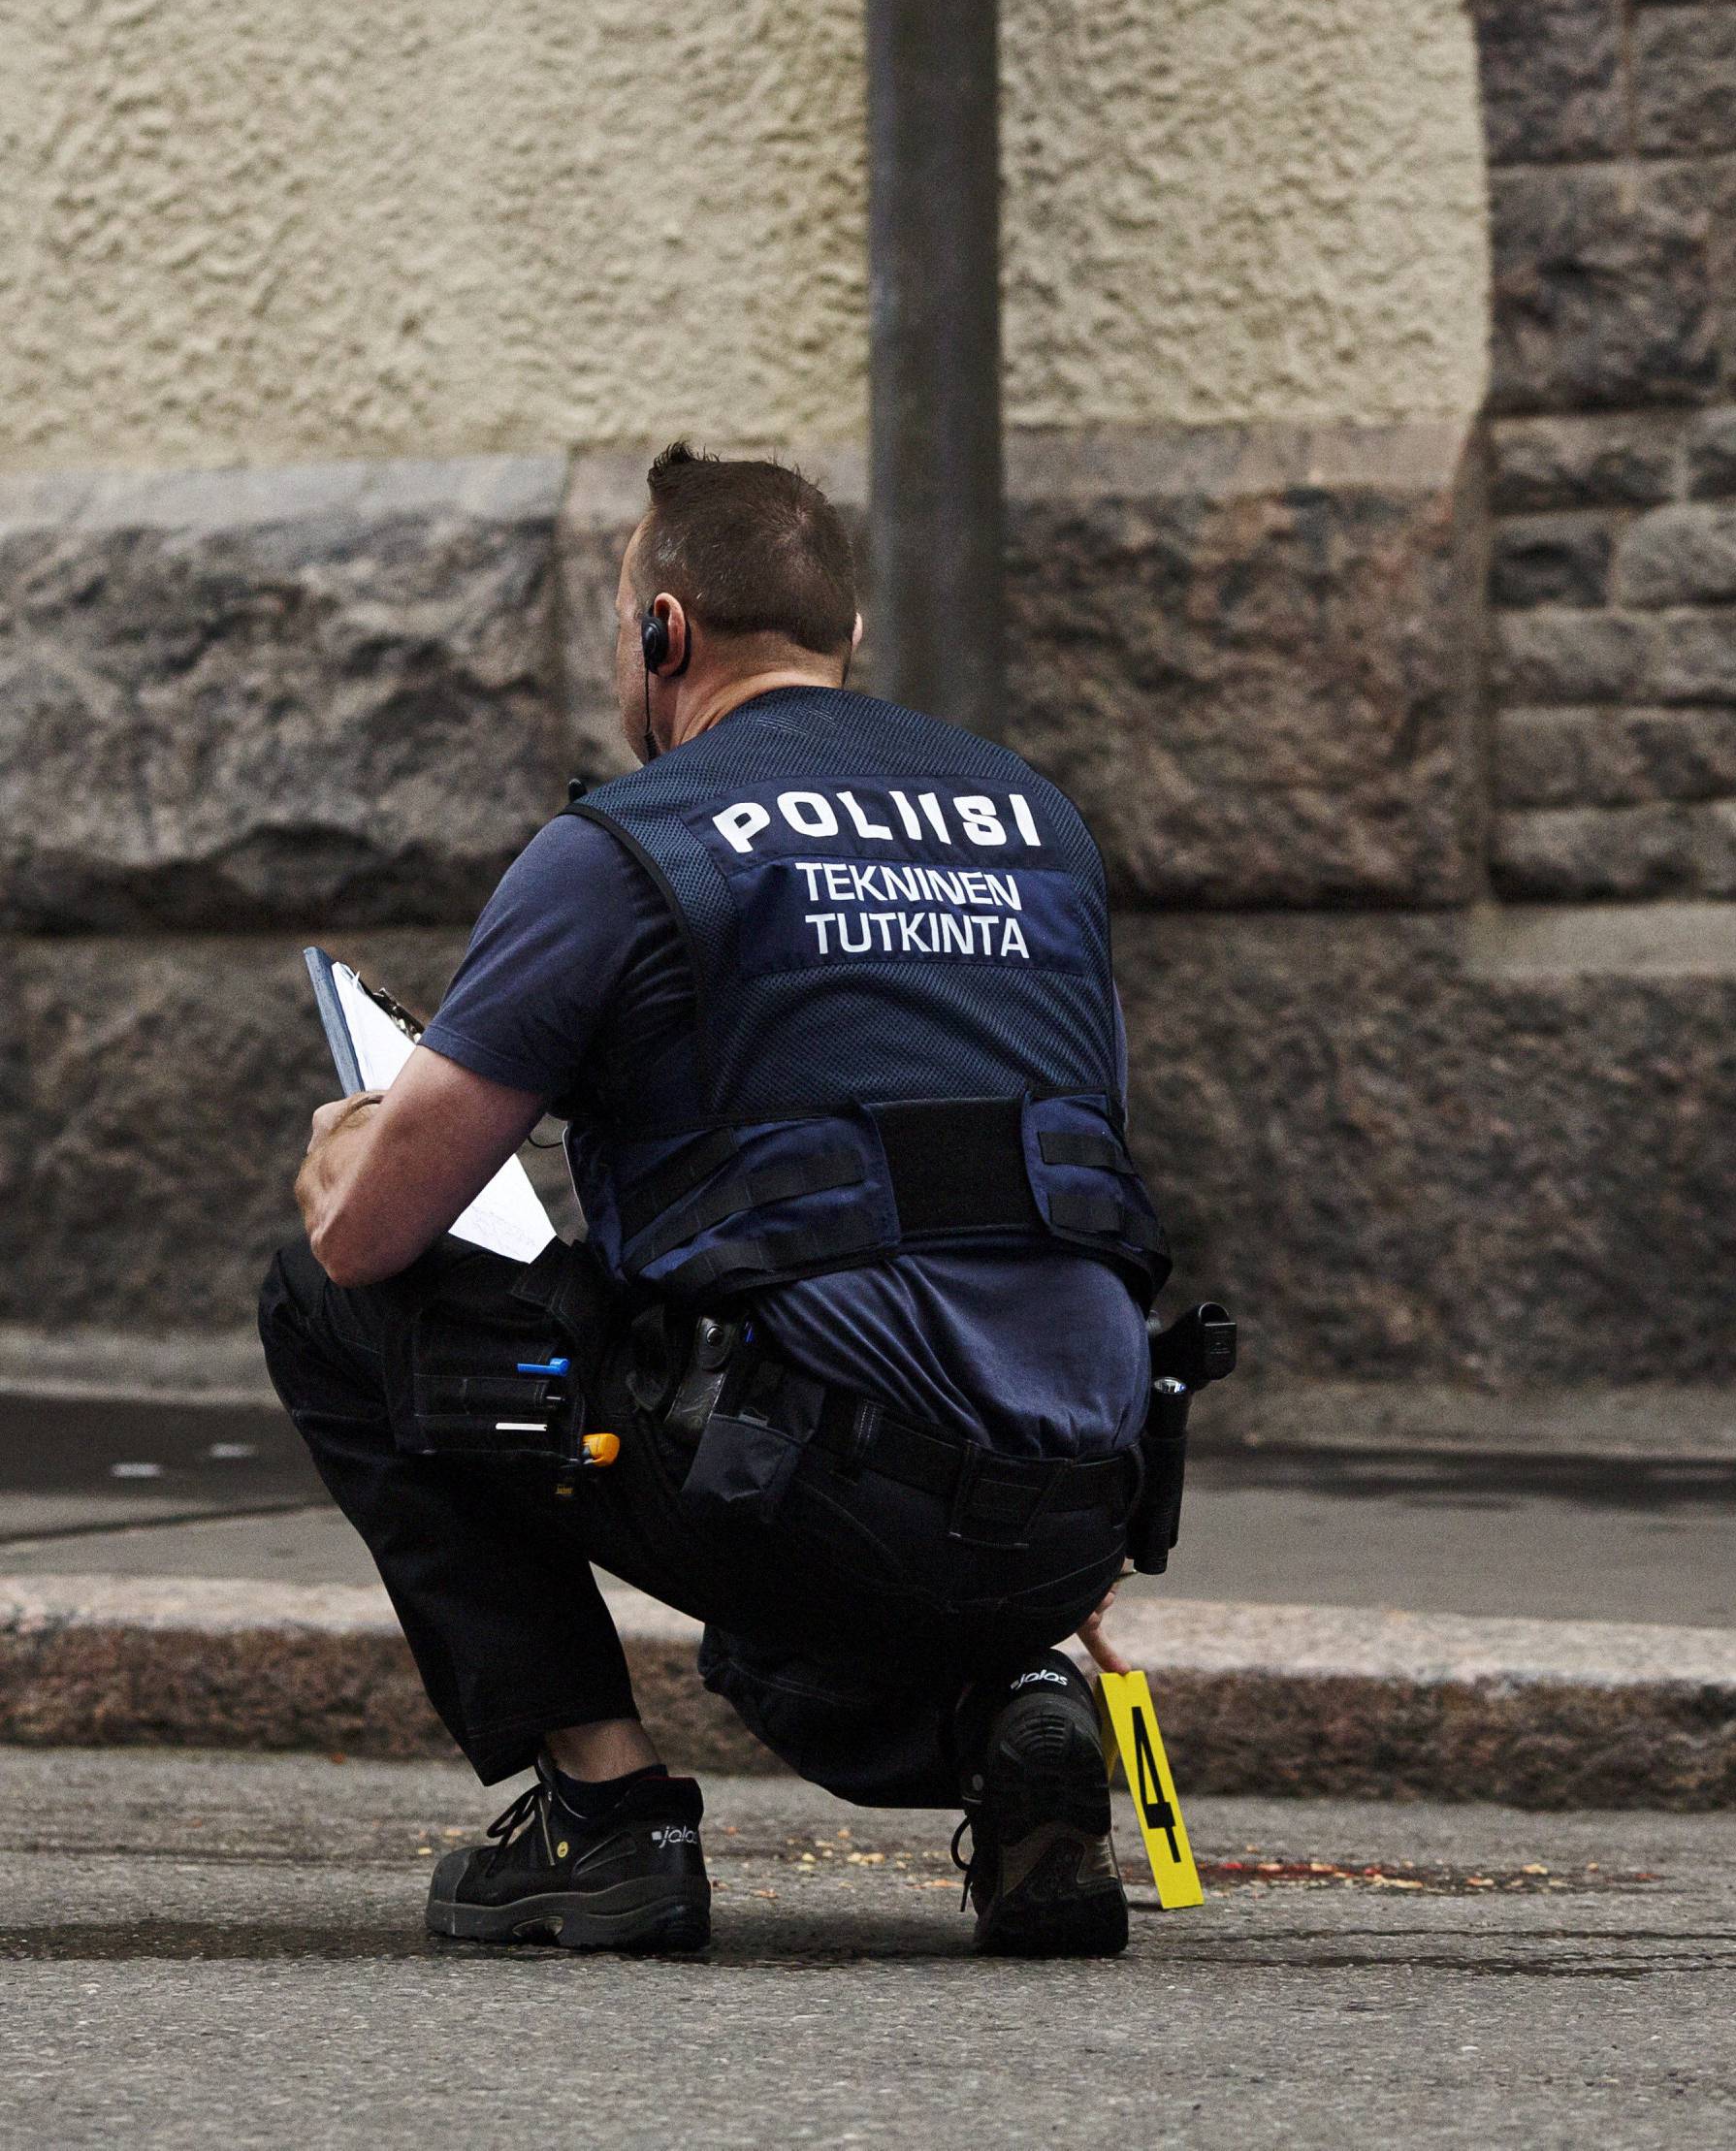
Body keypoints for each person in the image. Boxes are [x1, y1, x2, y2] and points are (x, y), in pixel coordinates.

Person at [260, 443, 1171, 1959]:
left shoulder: (634, 844)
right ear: (848, 643)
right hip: (1081, 1492)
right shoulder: (1042, 826)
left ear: (662, 633)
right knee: (789, 1567)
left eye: (625, 628)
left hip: (826, 1475)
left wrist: (353, 1133)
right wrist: (1047, 1494)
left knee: (325, 1299)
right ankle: (1016, 1710)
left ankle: (602, 1817)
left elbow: (373, 1235)